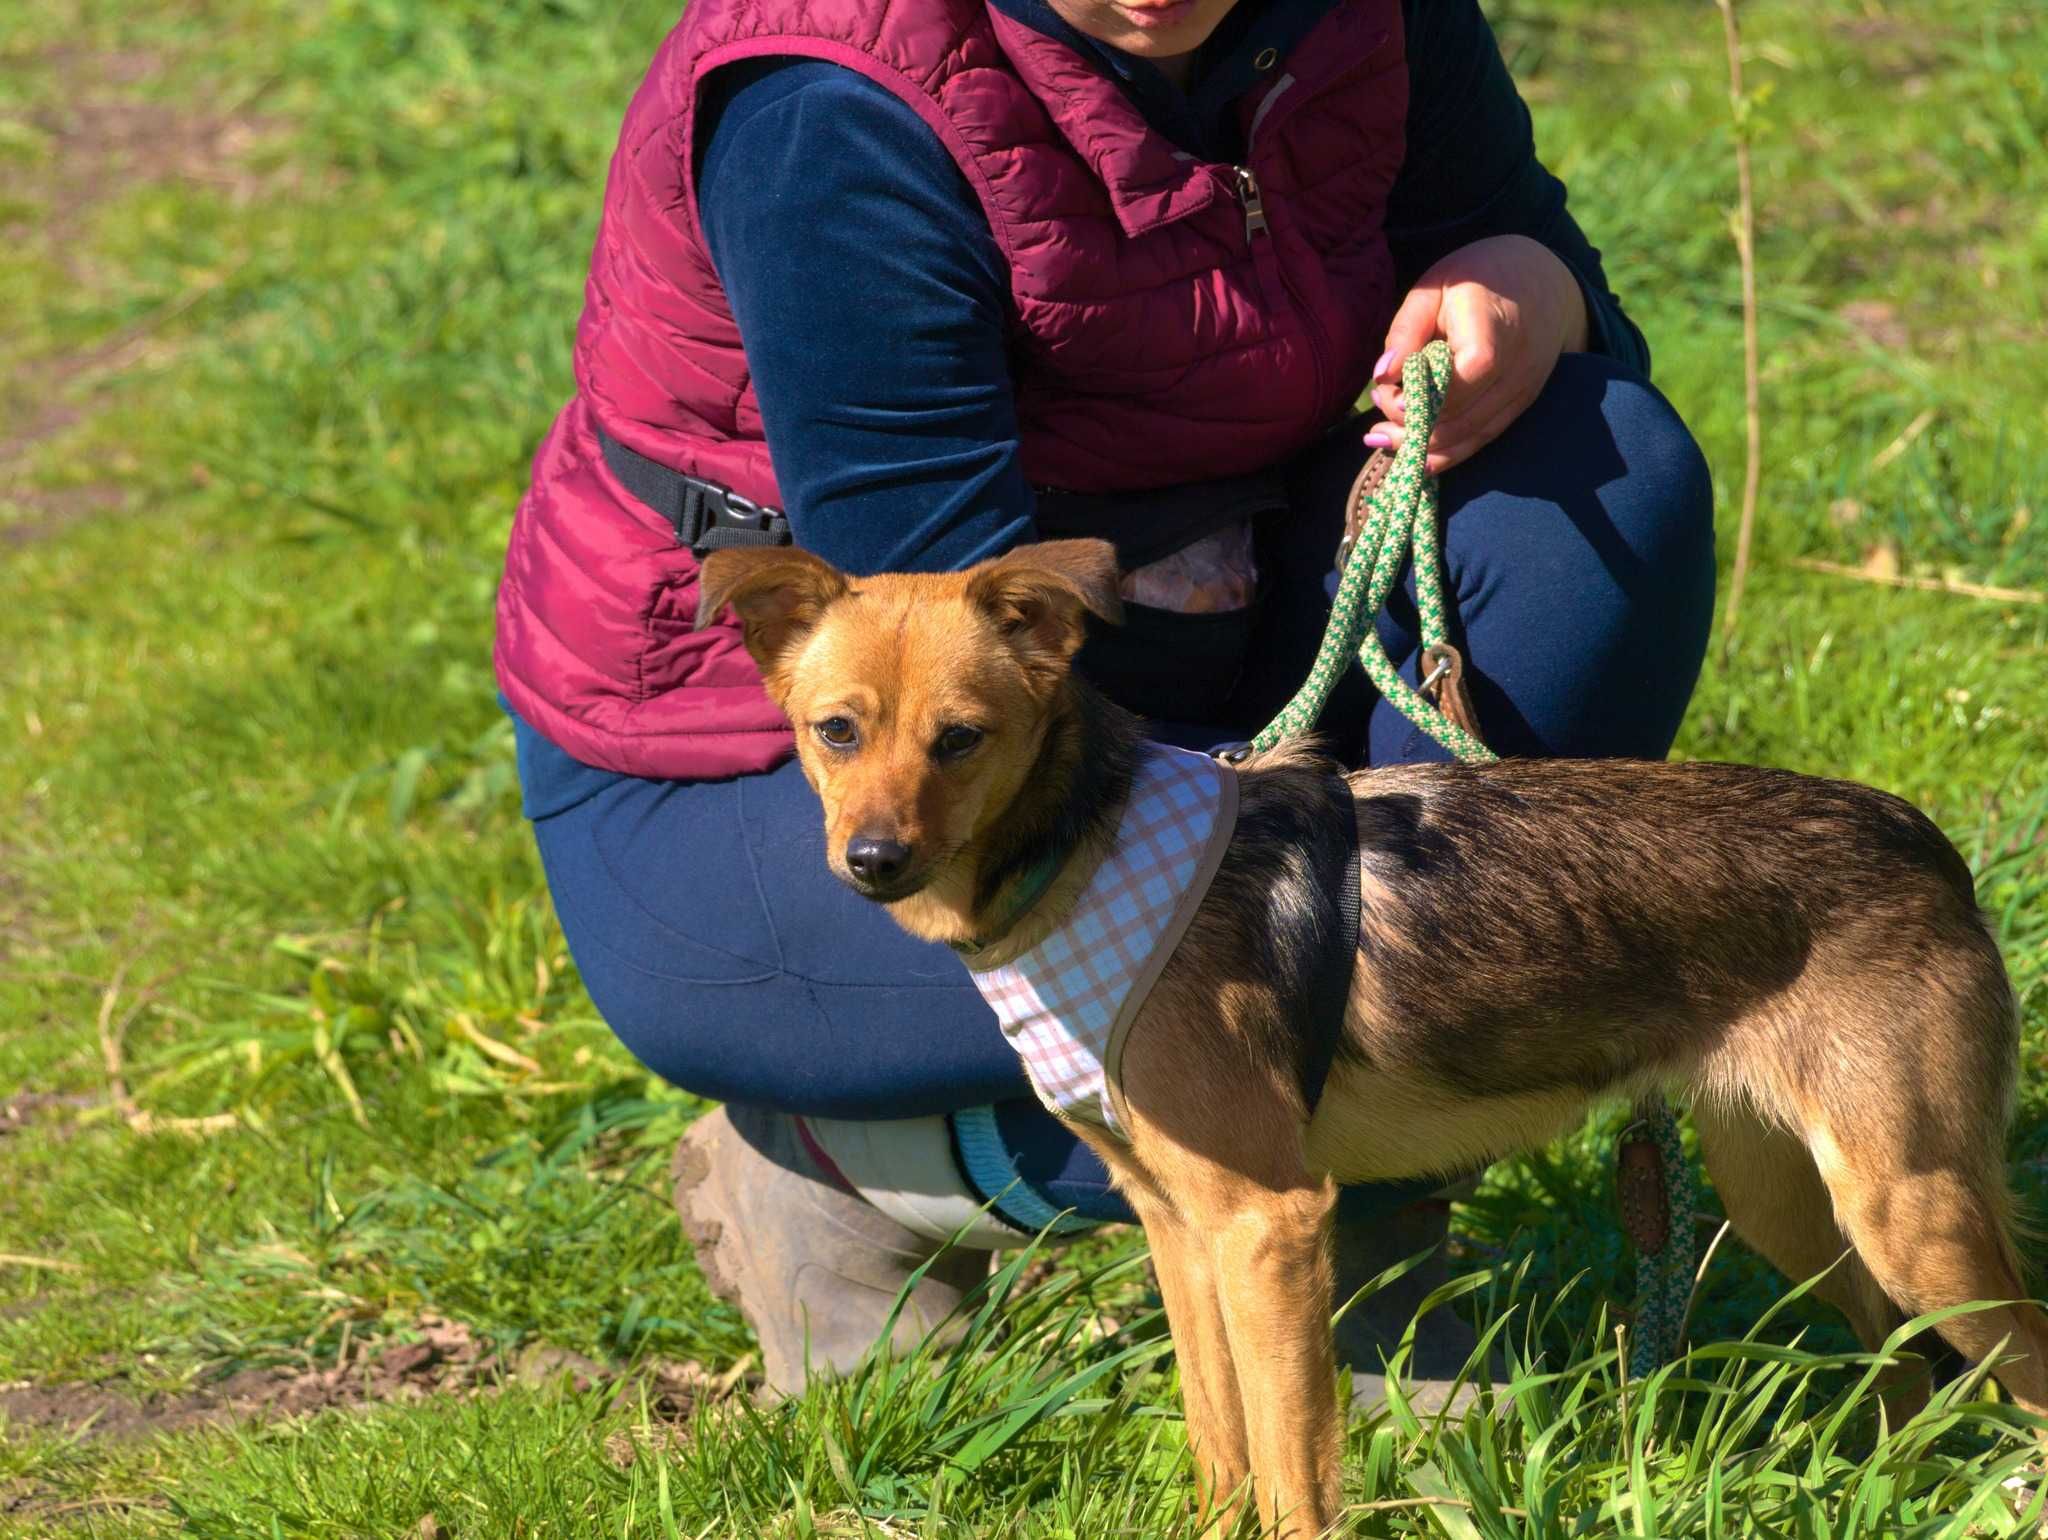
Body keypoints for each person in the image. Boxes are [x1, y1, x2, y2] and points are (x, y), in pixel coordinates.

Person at [494, 0, 1716, 1402]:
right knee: (1218, 1018)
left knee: (1601, 466)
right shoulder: (828, 112)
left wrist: (1524, 286)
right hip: (813, 766)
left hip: (1214, 630)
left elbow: (1501, 223)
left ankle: (1365, 1221)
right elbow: (939, 643)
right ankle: (844, 1165)